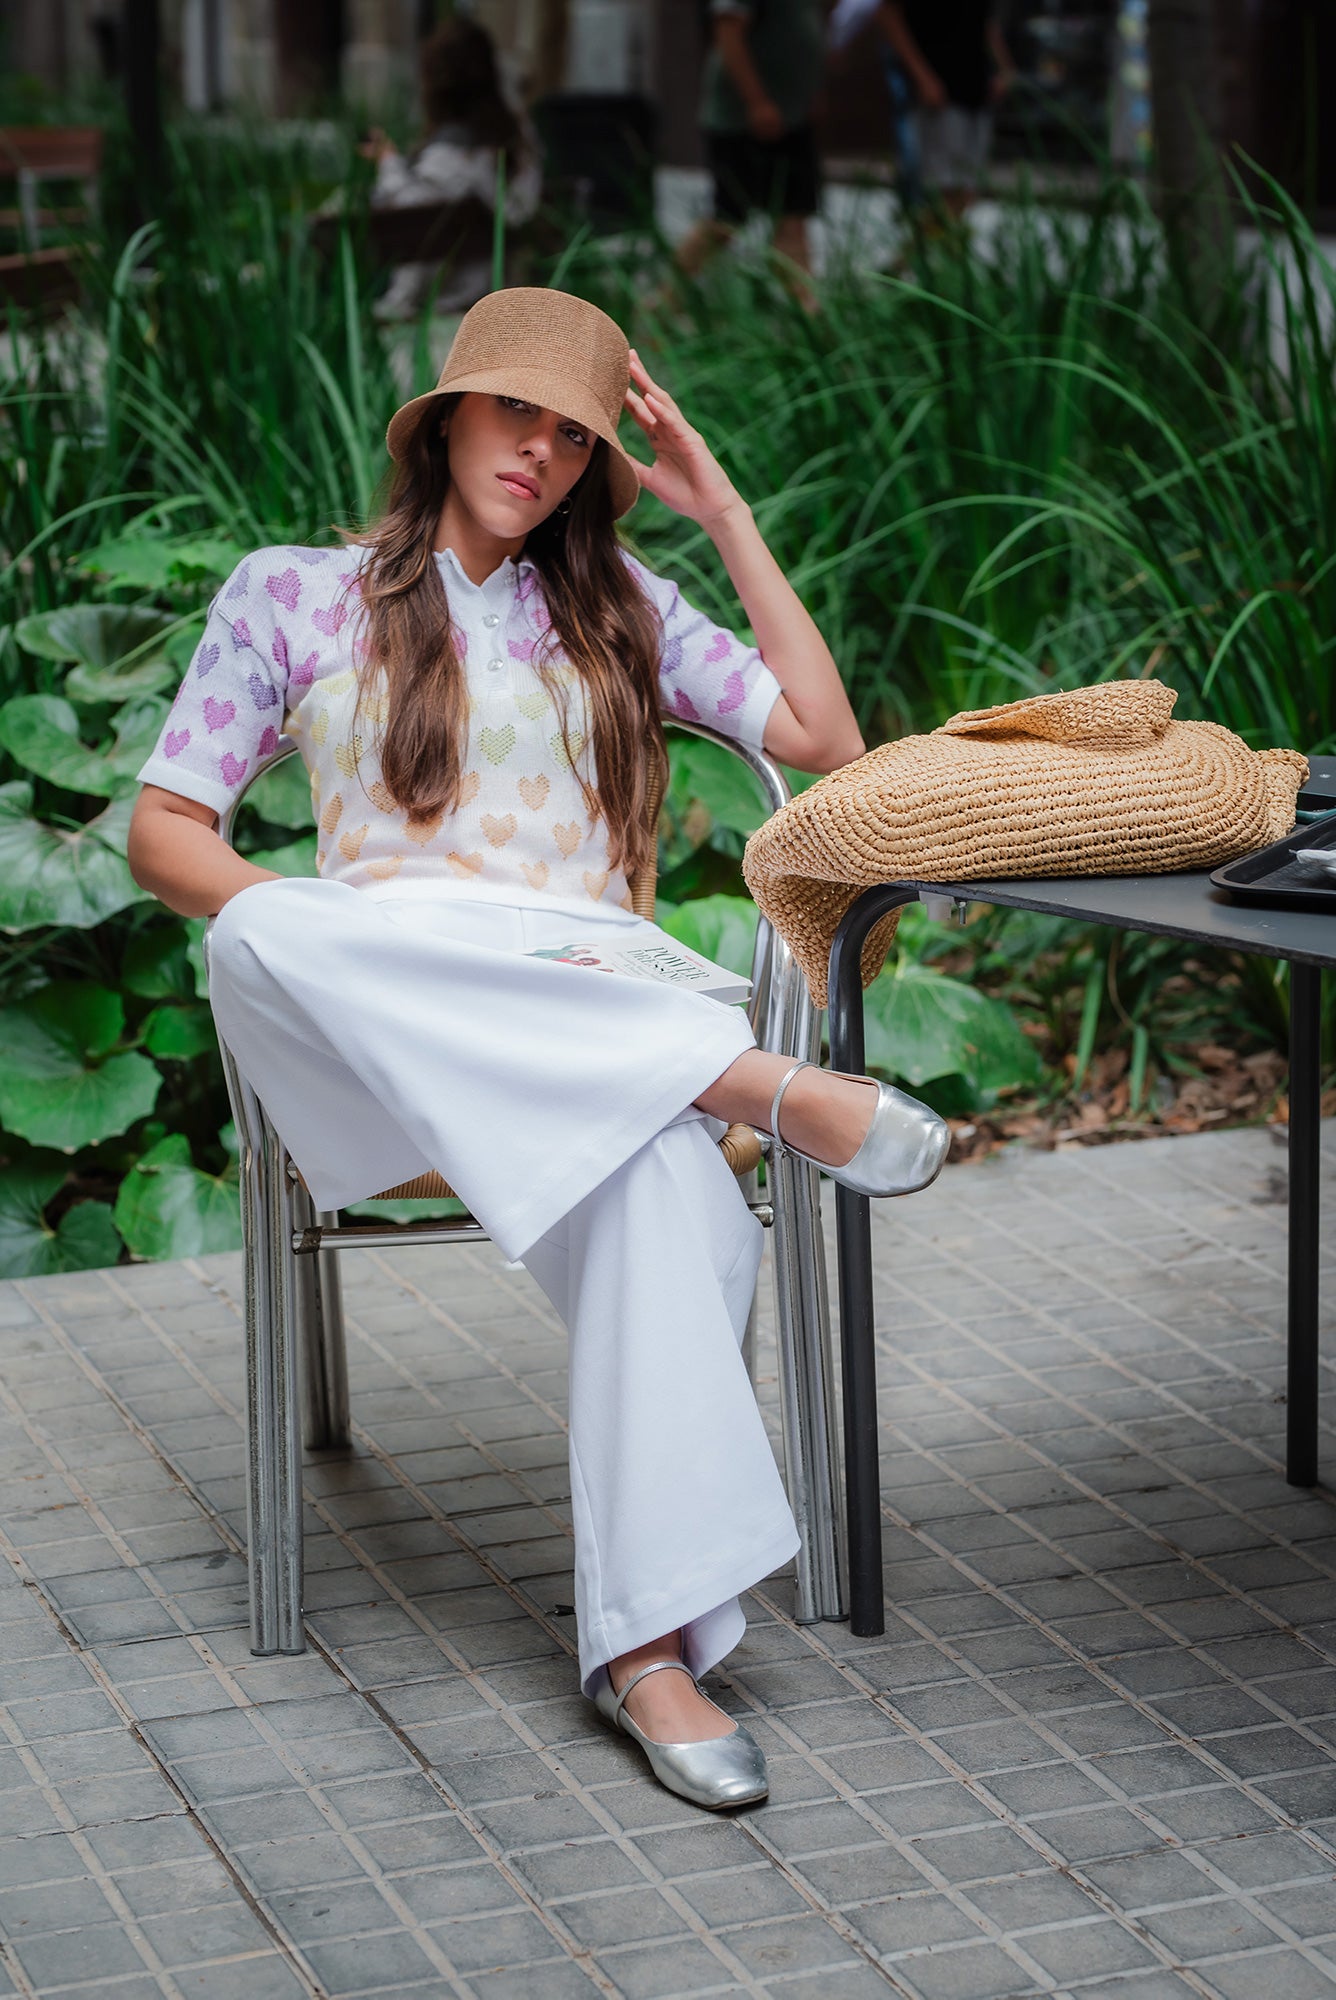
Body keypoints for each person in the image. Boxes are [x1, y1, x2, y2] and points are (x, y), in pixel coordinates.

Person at [127, 287, 947, 1811]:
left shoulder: (618, 603)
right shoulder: (291, 595)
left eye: (576, 435)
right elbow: (166, 835)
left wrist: (722, 507)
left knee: (664, 1189)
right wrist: (358, 938)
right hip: (386, 1047)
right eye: (520, 414)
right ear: (446, 419)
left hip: (588, 1012)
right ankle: (749, 1086)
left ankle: (649, 1657)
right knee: (261, 925)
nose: (547, 453)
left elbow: (825, 737)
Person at [360, 18, 541, 321]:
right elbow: (520, 209)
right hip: (498, 293)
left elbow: (407, 222)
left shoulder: (443, 162)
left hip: (444, 302)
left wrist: (388, 163)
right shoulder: (517, 143)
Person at [678, 0, 825, 301]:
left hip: (791, 117)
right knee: (727, 220)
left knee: (793, 216)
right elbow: (728, 31)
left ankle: (808, 314)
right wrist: (756, 102)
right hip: (745, 119)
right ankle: (663, 303)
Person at [877, 0, 1016, 222]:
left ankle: (931, 252)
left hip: (977, 88)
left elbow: (985, 21)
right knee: (944, 191)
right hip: (939, 91)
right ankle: (917, 254)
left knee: (966, 192)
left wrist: (1004, 67)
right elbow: (887, 13)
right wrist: (921, 76)